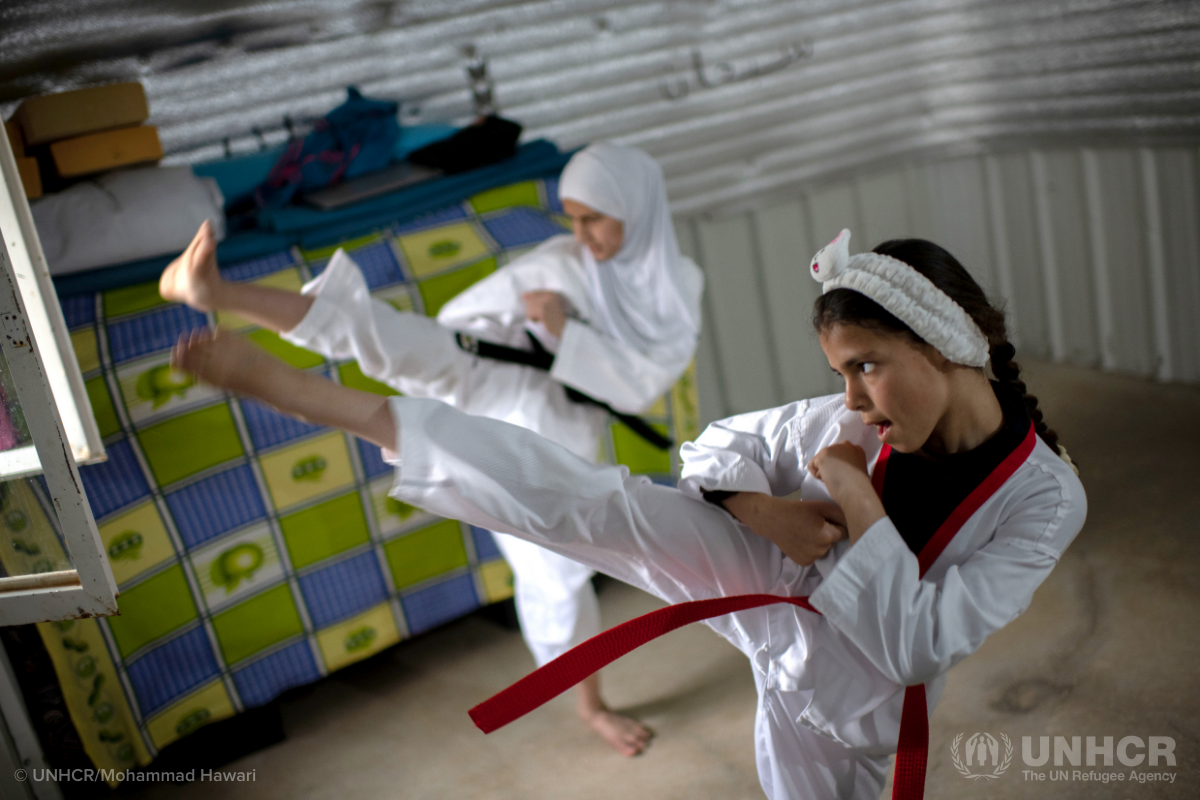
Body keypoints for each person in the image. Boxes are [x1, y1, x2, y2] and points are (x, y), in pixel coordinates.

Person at [169, 229, 1086, 799]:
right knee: (593, 501)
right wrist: (755, 506)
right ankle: (316, 398)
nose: (847, 393)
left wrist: (848, 487)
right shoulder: (847, 417)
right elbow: (716, 443)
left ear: (949, 348)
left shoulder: (1044, 497)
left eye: (867, 365)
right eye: (840, 371)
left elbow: (919, 644)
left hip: (862, 686)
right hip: (776, 585)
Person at [158, 142, 704, 757]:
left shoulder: (677, 286)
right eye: (571, 217)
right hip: (488, 365)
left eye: (592, 219)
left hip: (553, 408)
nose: (580, 234)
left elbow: (644, 384)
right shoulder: (565, 257)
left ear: (638, 210)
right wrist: (486, 340)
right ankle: (218, 292)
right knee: (382, 332)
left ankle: (590, 704)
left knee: (552, 566)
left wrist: (563, 332)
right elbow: (465, 317)